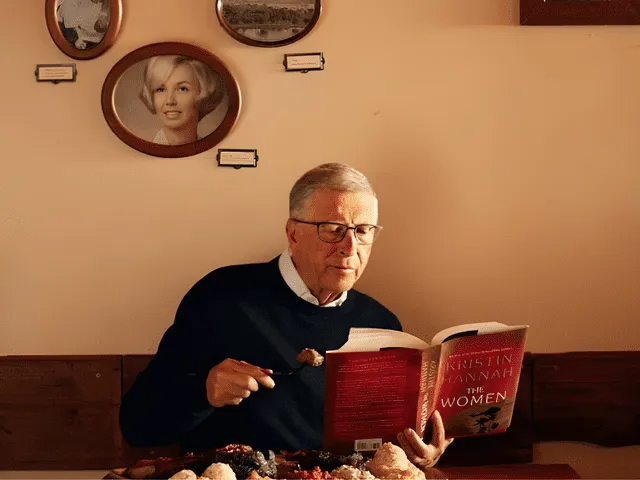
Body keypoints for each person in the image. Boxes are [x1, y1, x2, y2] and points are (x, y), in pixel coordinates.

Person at [119, 163, 453, 470]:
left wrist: (420, 453)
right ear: (293, 233)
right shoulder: (221, 298)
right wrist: (204, 392)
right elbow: (137, 426)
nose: (350, 247)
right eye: (333, 229)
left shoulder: (382, 324)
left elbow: (383, 443)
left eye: (363, 230)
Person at [139, 55, 225, 146]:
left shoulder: (212, 150)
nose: (170, 101)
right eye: (160, 89)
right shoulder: (138, 153)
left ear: (204, 92)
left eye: (182, 89)